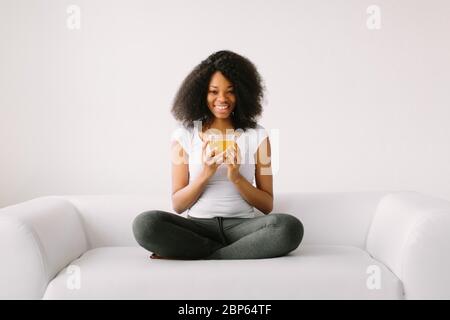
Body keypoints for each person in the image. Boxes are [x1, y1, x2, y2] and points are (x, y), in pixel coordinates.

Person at [132, 50, 304, 260]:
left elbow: (267, 206)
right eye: (214, 91)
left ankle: (206, 254)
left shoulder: (257, 135)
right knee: (145, 224)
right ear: (201, 94)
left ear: (242, 93)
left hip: (242, 229)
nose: (222, 99)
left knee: (289, 228)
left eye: (230, 91)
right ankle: (235, 252)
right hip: (197, 228)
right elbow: (178, 205)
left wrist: (237, 177)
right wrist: (206, 173)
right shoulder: (184, 135)